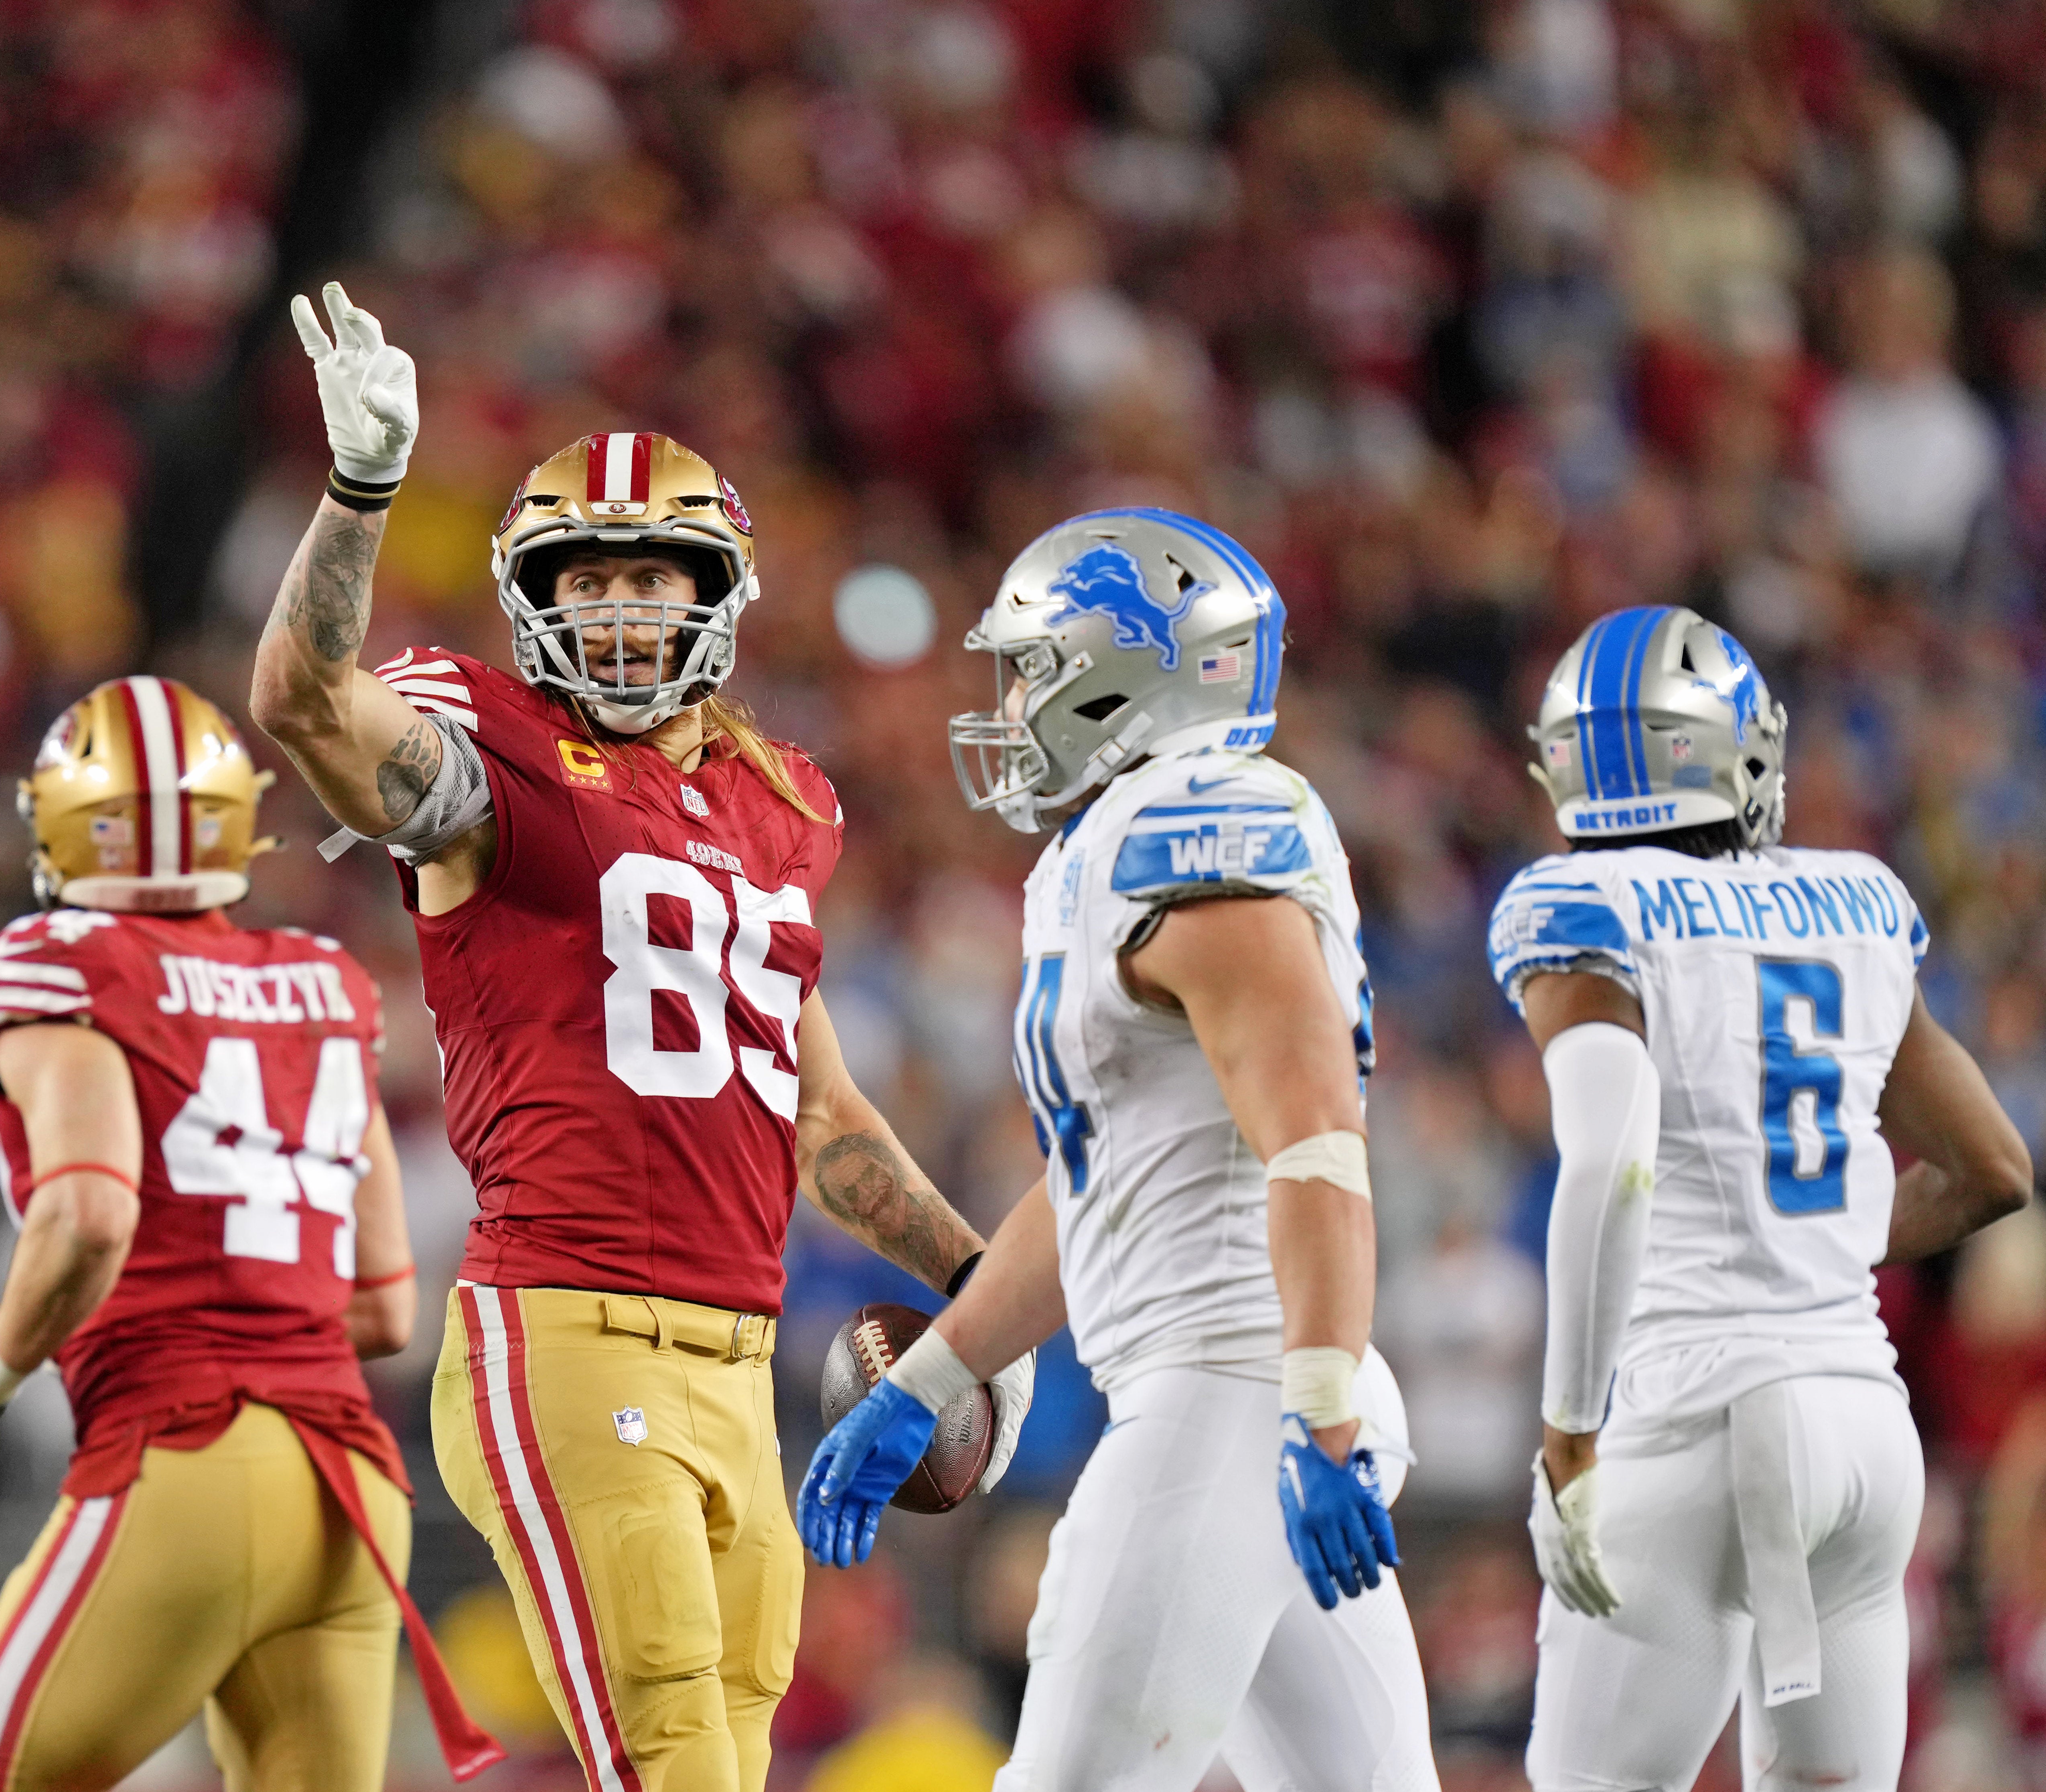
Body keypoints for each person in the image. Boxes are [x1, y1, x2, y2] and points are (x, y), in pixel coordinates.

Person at [247, 282, 1032, 1792]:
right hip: (564, 1327)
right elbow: (302, 700)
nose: (615, 612)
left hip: (742, 1357)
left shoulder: (779, 803)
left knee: (730, 1753)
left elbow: (825, 1120)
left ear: (713, 596)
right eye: (586, 580)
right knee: (669, 1754)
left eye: (648, 579)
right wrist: (359, 491)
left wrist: (983, 1287)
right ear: (532, 597)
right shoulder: (493, 757)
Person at [798, 508, 1440, 1791]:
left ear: (1122, 675)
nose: (1011, 704)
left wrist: (1316, 1411)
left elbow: (1317, 1145)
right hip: (1237, 1392)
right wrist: (930, 1376)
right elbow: (1099, 1184)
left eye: (1032, 669)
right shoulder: (1108, 847)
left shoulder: (1193, 833)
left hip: (1233, 1395)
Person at [1488, 606, 2032, 1790]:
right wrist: (1813, 1250)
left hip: (1690, 1416)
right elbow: (1995, 1168)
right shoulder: (1854, 901)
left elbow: (1610, 1162)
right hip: (1859, 1425)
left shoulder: (1580, 907)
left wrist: (1569, 1434)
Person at [0, 675, 499, 1792]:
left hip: (184, 1457)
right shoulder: (324, 984)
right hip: (346, 1488)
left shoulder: (59, 963)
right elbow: (386, 1307)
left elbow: (89, 1212)